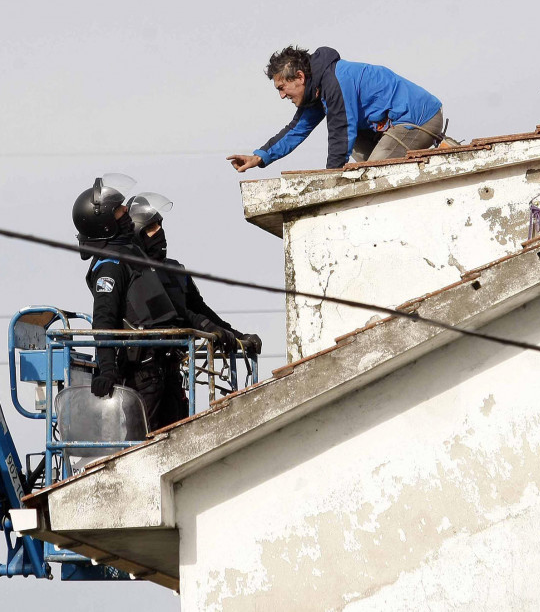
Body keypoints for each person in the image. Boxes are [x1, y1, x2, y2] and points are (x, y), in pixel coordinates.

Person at [72, 174, 186, 432]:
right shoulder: (110, 267)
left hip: (164, 368)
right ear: (104, 221)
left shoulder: (132, 257)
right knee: (142, 448)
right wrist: (108, 371)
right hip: (142, 375)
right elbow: (104, 319)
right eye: (120, 210)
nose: (126, 214)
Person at [228, 46, 445, 172]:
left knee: (372, 173)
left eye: (282, 87)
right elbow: (296, 129)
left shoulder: (336, 81)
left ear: (300, 77)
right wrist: (259, 157)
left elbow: (341, 132)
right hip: (386, 127)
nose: (282, 95)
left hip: (418, 119)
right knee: (364, 172)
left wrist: (329, 182)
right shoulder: (316, 90)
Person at [127, 192, 263, 357]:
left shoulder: (175, 270)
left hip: (173, 362)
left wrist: (237, 336)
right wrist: (206, 326)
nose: (160, 232)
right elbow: (173, 313)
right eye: (151, 228)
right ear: (137, 234)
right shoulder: (132, 273)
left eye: (160, 226)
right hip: (143, 364)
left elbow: (199, 308)